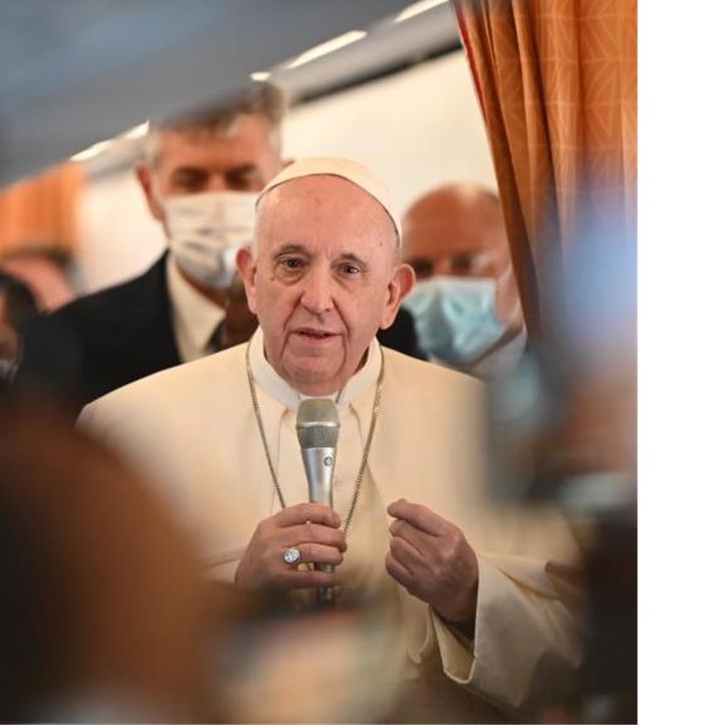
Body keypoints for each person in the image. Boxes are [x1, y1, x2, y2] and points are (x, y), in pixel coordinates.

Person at [78, 157, 582, 721]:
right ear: (250, 276)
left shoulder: (499, 429)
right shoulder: (125, 429)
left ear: (392, 295)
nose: (318, 298)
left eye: (349, 270)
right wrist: (236, 593)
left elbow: (584, 652)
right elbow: (75, 650)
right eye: (292, 263)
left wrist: (469, 594)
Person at [16, 83, 424, 415]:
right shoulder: (65, 344)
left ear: (280, 180)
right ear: (149, 189)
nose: (216, 201)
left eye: (241, 178)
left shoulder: (381, 332)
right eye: (191, 182)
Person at [400, 183, 526, 379]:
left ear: (519, 269)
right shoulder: (376, 372)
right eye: (421, 268)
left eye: (466, 264)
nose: (440, 283)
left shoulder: (577, 376)